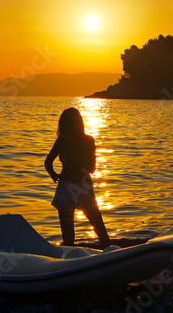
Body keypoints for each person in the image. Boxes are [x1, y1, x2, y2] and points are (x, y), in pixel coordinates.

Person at [45, 107, 110, 249]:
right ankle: (112, 257)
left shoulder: (63, 139)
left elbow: (48, 162)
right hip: (84, 188)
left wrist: (54, 175)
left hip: (66, 187)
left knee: (68, 237)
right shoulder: (89, 140)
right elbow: (92, 169)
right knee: (100, 229)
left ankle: (69, 263)